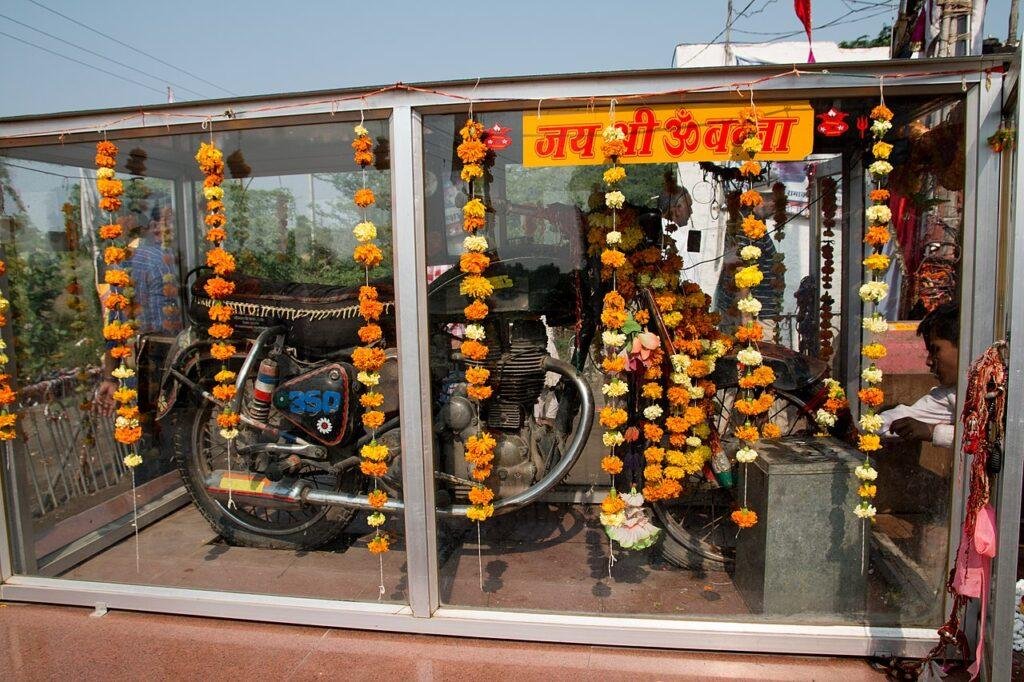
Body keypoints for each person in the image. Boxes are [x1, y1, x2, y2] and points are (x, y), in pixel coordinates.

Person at [880, 302, 959, 447]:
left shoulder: (1002, 384)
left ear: (963, 347)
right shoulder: (950, 392)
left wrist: (933, 432)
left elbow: (990, 442)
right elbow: (900, 419)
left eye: (935, 350)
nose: (929, 361)